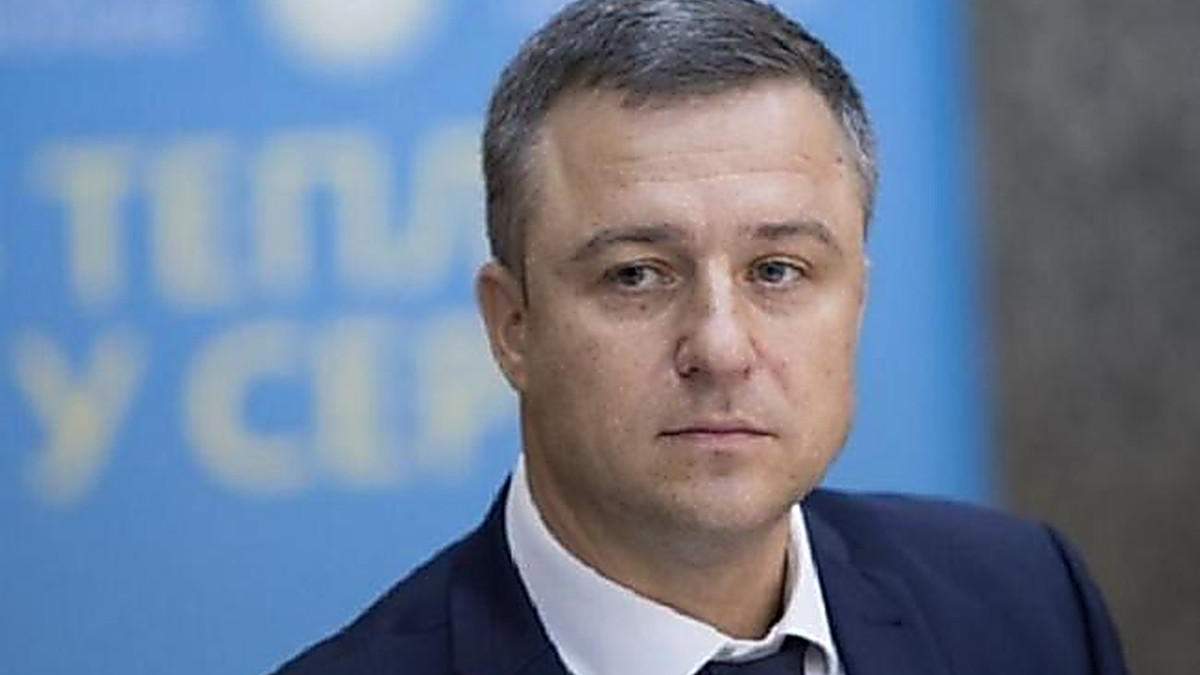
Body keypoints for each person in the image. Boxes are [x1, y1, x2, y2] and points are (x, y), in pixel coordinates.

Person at [274, 1, 1128, 673]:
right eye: (636, 275)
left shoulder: (1027, 605)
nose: (720, 348)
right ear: (513, 327)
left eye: (777, 270)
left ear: (858, 300)